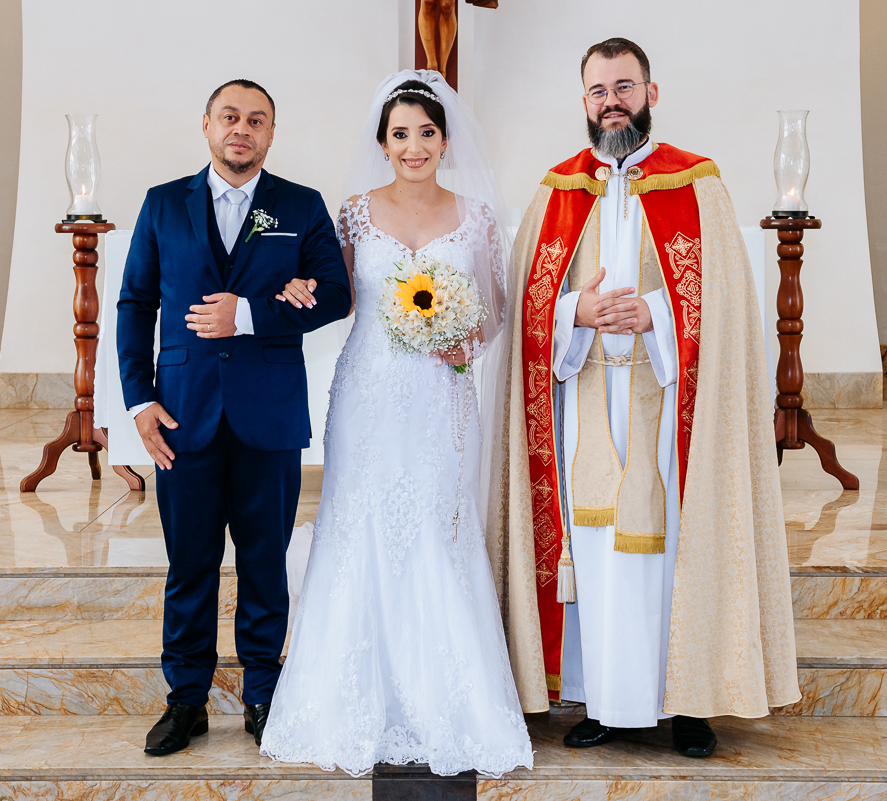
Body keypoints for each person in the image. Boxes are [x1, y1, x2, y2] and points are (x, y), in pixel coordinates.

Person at [488, 38, 800, 758]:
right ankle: (601, 698)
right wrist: (580, 314)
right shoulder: (557, 190)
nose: (611, 102)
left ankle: (687, 702)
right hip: (583, 399)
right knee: (596, 551)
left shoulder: (698, 184)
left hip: (670, 408)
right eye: (598, 90)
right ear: (585, 102)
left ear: (651, 94)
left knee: (672, 550)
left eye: (624, 87)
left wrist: (656, 314)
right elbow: (528, 311)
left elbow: (724, 306)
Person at [258, 71, 533, 778]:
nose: (414, 147)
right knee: (360, 522)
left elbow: (497, 308)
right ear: (383, 142)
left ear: (445, 138)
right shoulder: (353, 212)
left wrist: (464, 340)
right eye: (401, 134)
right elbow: (336, 294)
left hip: (440, 394)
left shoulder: (475, 217)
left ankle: (449, 700)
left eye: (426, 132)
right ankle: (348, 700)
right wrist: (296, 288)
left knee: (439, 528)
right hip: (368, 394)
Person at [117, 79, 352, 756]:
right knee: (189, 563)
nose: (241, 128)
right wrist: (139, 399)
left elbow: (335, 294)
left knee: (264, 561)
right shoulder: (164, 205)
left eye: (256, 119)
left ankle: (263, 694)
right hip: (183, 415)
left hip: (268, 416)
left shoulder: (299, 206)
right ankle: (185, 699)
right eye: (230, 117)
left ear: (271, 134)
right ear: (207, 125)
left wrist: (251, 313)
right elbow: (136, 304)